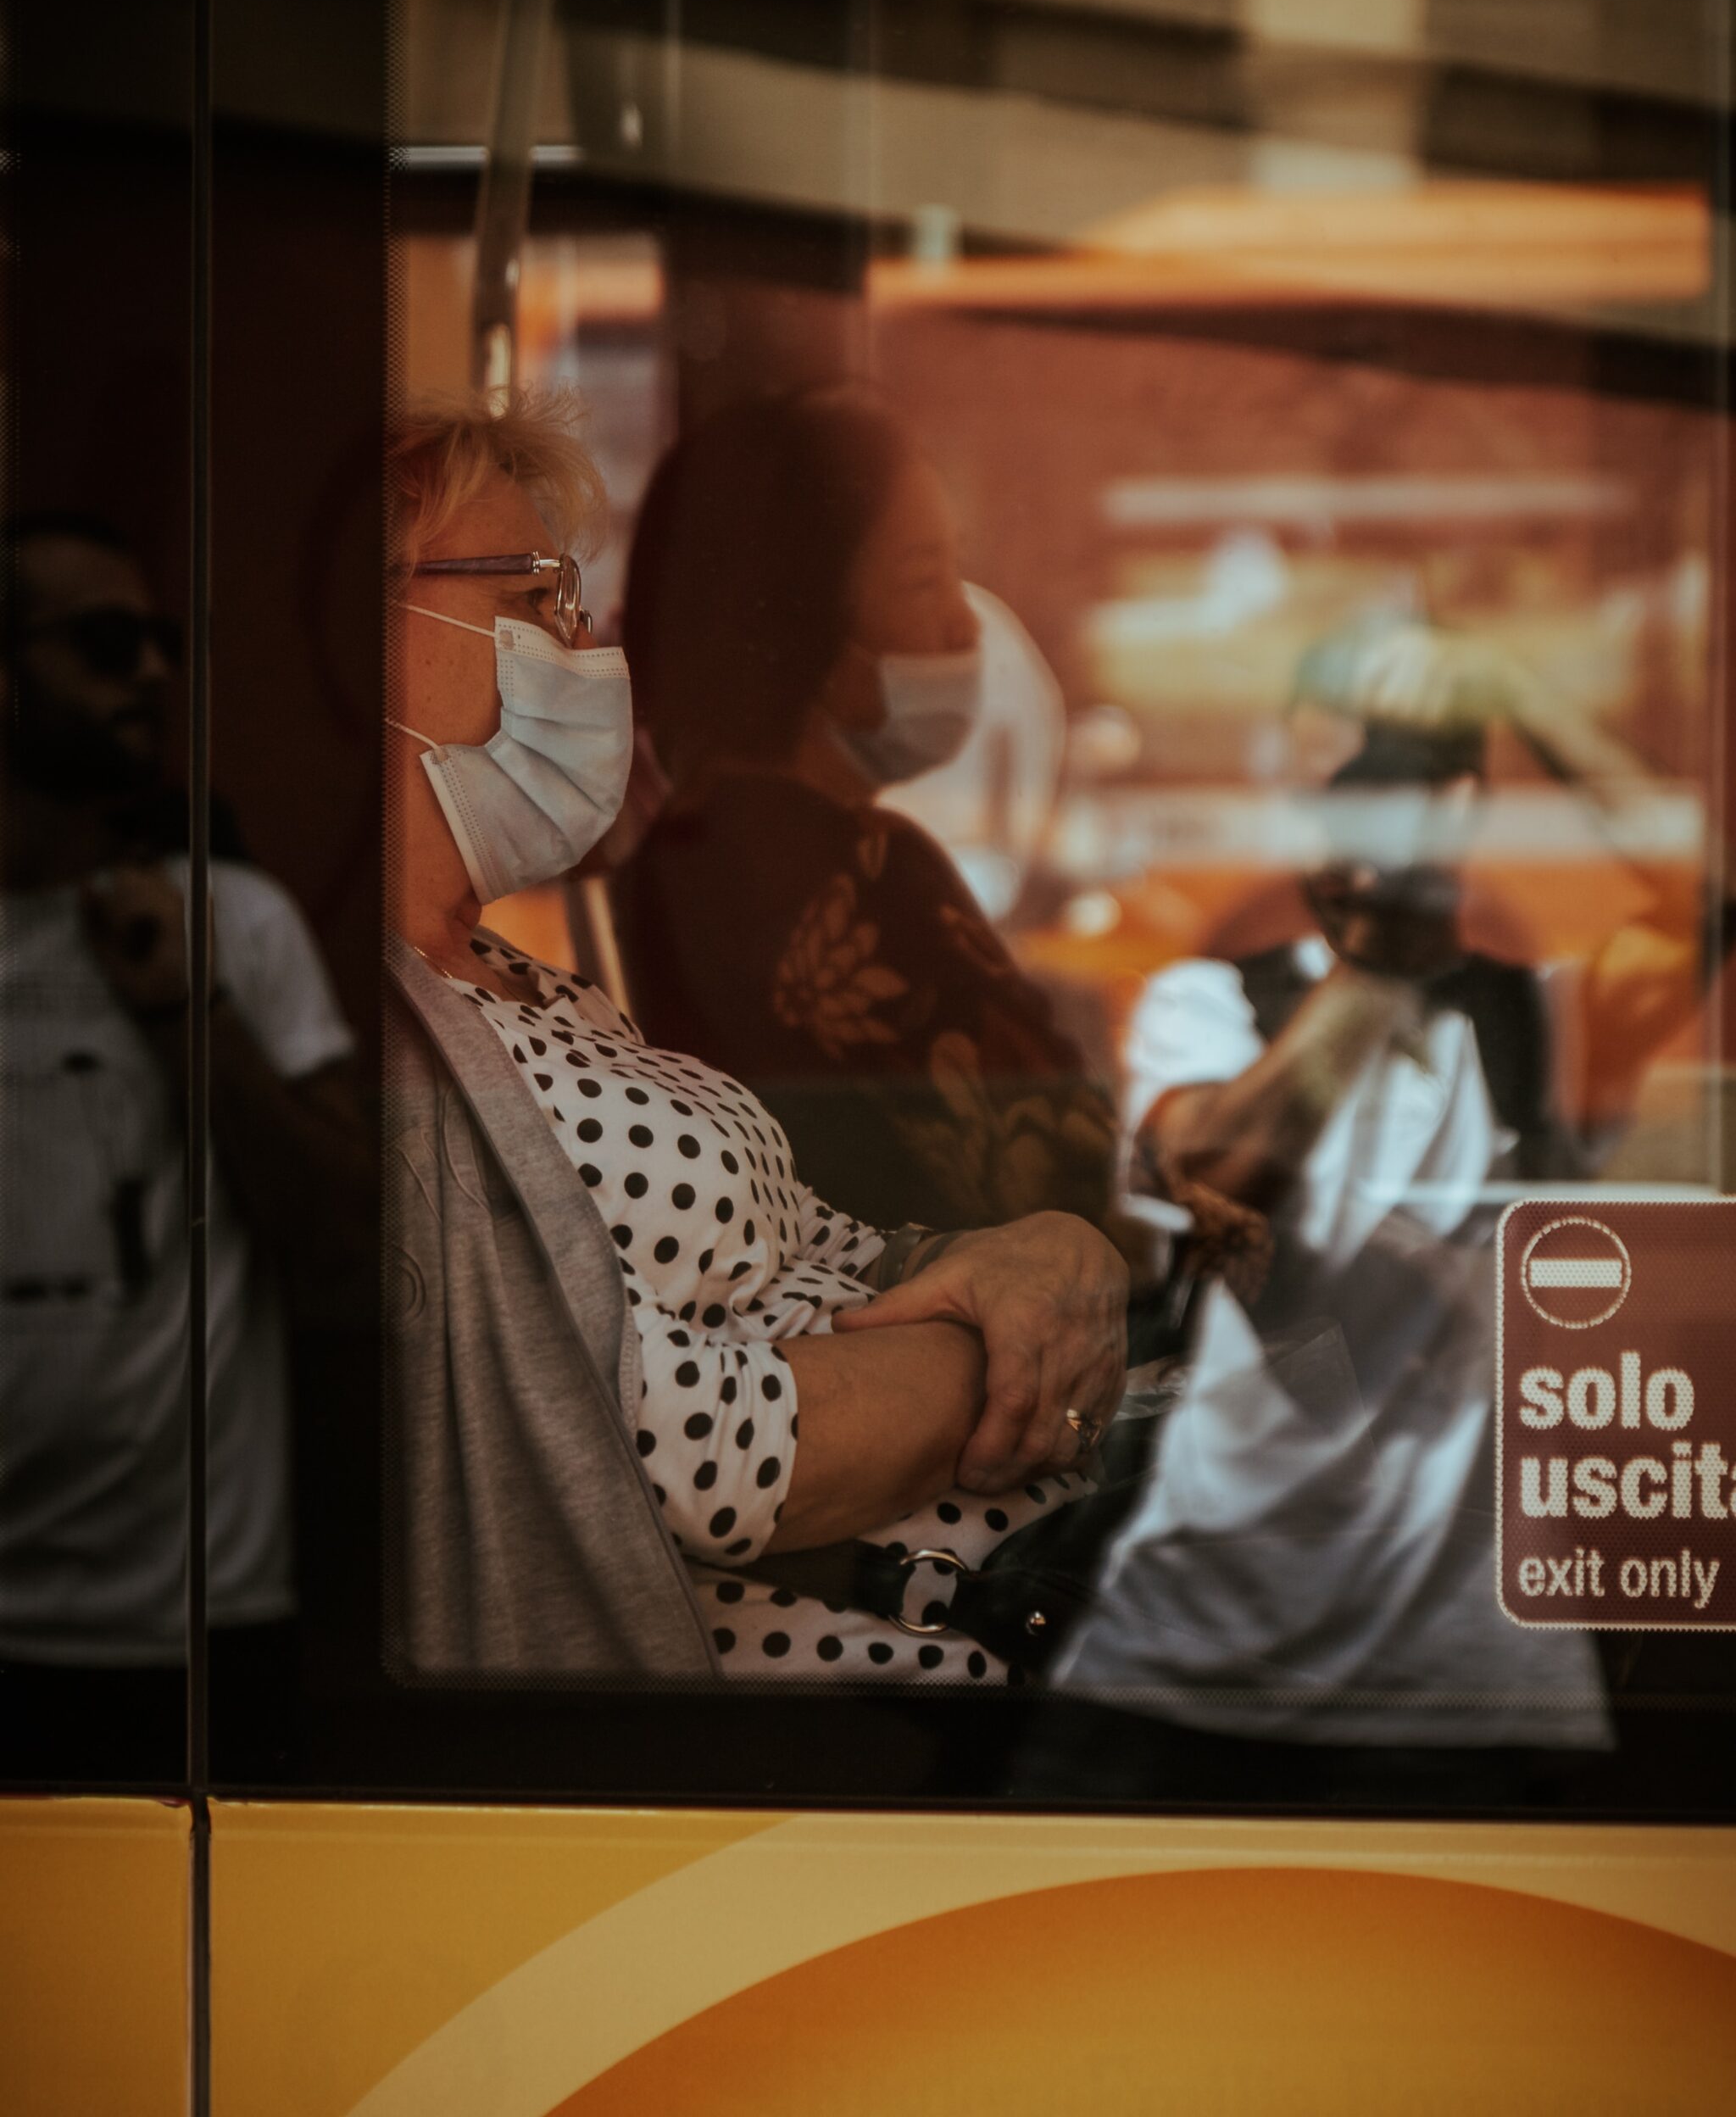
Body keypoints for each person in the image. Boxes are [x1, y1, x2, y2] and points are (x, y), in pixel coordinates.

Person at [383, 389, 1129, 1685]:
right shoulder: (392, 1047)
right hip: (912, 1689)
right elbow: (706, 1451)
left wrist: (1038, 1260)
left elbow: (844, 1243)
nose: (581, 640)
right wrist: (1009, 1344)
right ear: (364, 640)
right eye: (532, 598)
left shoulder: (528, 988)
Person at [1048, 614, 1733, 1797]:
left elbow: (1709, 897)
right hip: (1197, 1663)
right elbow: (1221, 1171)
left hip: (1473, 1682)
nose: (1344, 822)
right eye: (1323, 786)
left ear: (1458, 803)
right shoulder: (1210, 1002)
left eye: (1382, 784)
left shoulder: (1538, 1021)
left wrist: (1522, 691)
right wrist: (1377, 972)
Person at [0, 514, 365, 1776]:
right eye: (105, 644)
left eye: (161, 641)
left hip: (190, 1623)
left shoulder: (231, 925)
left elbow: (348, 1237)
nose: (151, 675)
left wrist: (187, 1016)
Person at [610, 387, 1119, 1238]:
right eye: (925, 580)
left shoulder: (675, 852)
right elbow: (1066, 1165)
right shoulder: (863, 870)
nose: (964, 624)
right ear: (807, 625)